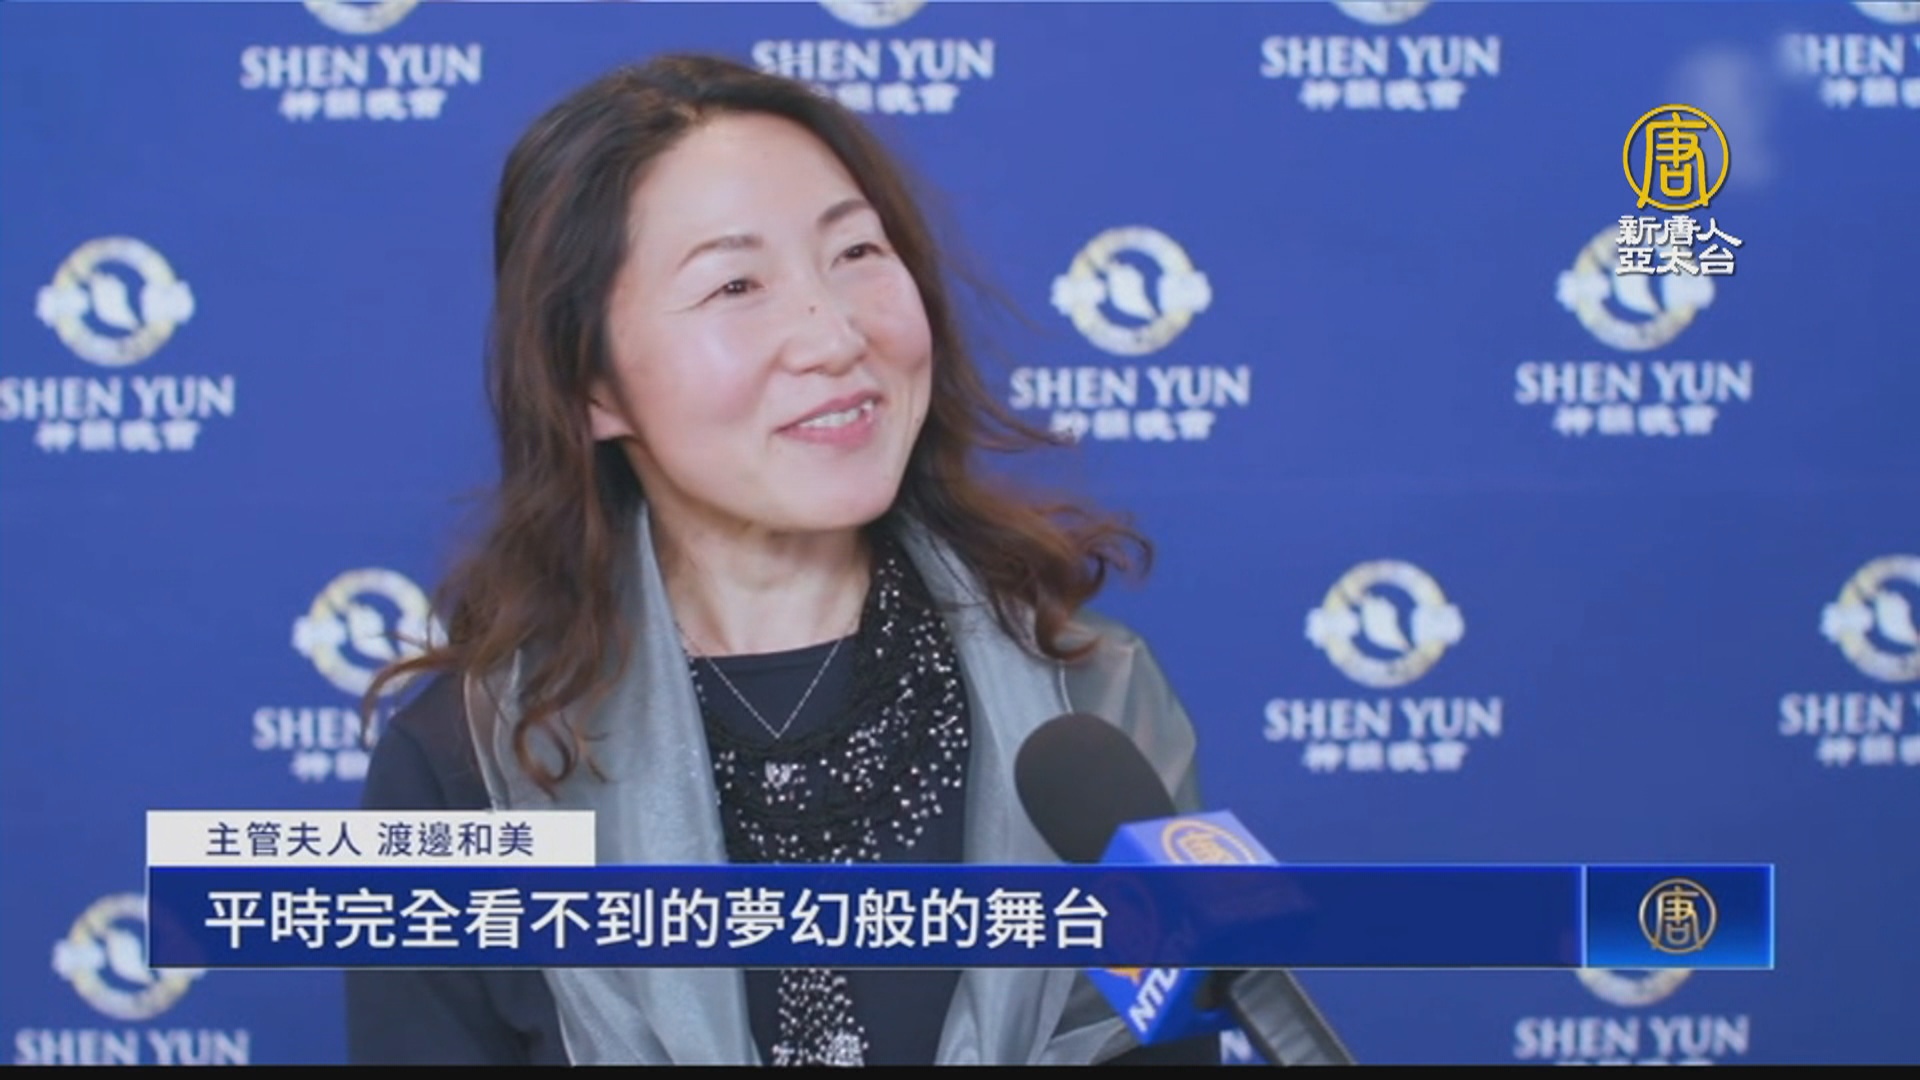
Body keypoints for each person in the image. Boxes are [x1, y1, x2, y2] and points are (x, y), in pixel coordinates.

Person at [345, 53, 1214, 1067]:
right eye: (736, 284)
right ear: (591, 385)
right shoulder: (468, 766)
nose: (835, 336)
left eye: (856, 252)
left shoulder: (1089, 707)